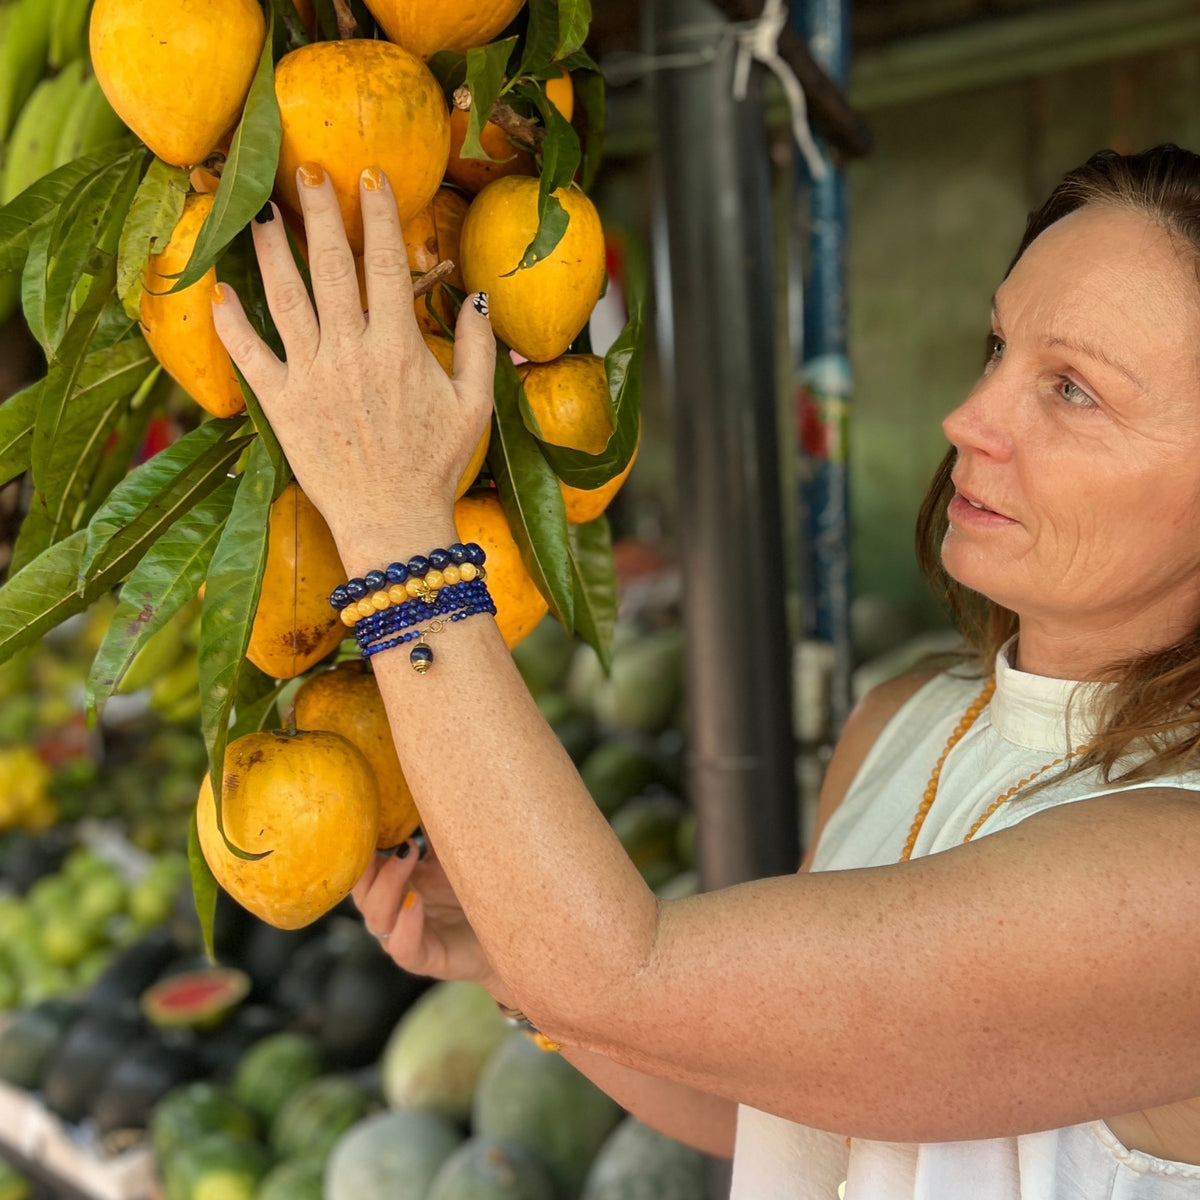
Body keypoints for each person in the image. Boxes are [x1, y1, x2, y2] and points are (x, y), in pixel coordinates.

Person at [212, 145, 1200, 1197]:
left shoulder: (1173, 875)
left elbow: (623, 976)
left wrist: (392, 525)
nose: (972, 418)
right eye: (998, 345)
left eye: (1072, 389)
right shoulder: (903, 719)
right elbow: (782, 1100)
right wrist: (515, 954)